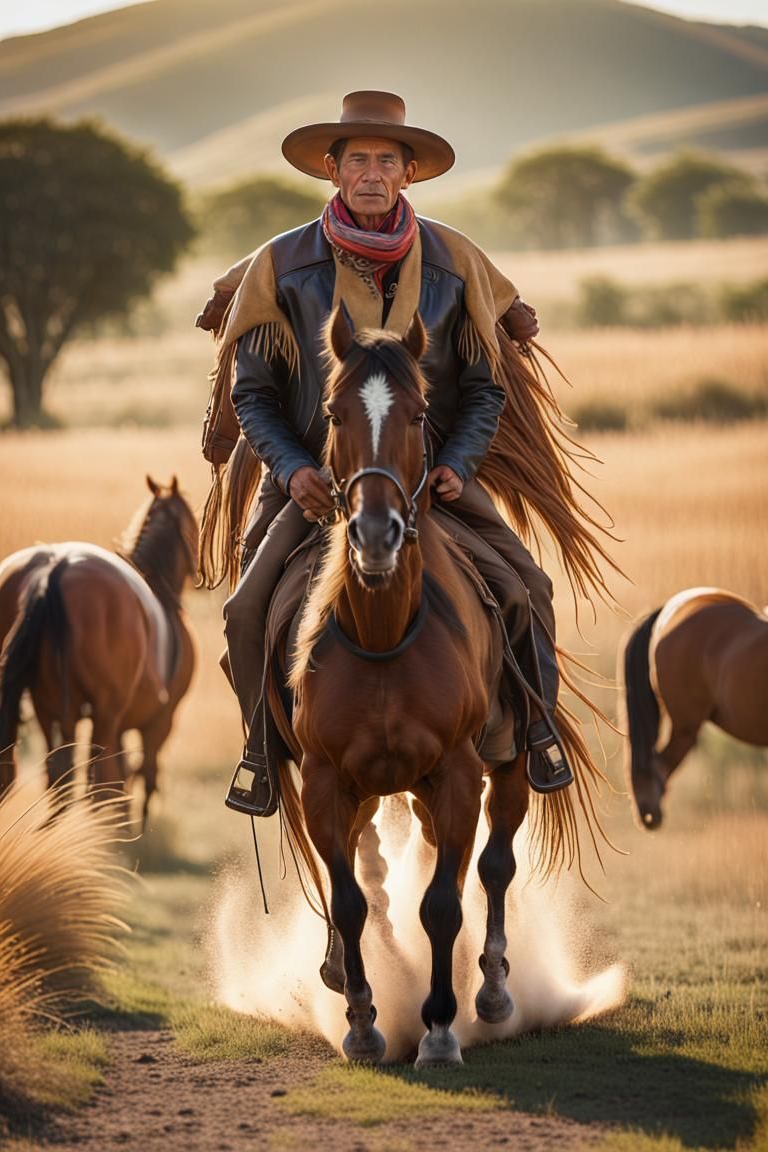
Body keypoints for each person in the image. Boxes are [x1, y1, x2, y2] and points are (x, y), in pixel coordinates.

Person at [197, 91, 606, 817]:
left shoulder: (453, 265)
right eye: (359, 159)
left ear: (409, 173)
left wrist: (461, 462)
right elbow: (253, 395)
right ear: (332, 169)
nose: (373, 173)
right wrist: (292, 470)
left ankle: (533, 735)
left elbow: (486, 388)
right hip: (310, 484)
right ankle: (261, 755)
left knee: (527, 590)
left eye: (388, 160)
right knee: (243, 611)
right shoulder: (281, 267)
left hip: (428, 482)